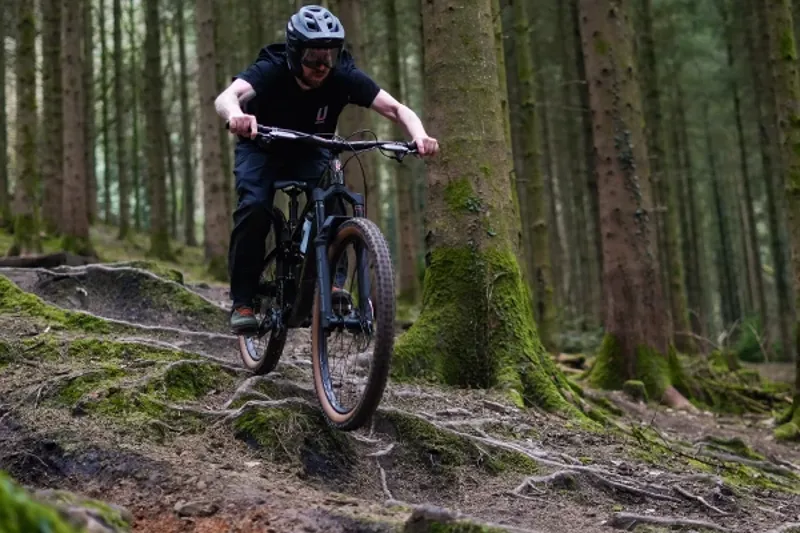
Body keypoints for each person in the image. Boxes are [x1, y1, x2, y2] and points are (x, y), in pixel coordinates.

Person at [214, 5, 439, 333]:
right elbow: (227, 97)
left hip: (311, 149)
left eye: (329, 56)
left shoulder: (343, 75)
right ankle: (243, 299)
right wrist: (237, 115)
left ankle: (333, 285)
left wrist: (419, 136)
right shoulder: (273, 67)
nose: (322, 66)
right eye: (313, 57)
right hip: (262, 147)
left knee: (336, 197)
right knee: (254, 208)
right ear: (293, 53)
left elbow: (395, 108)